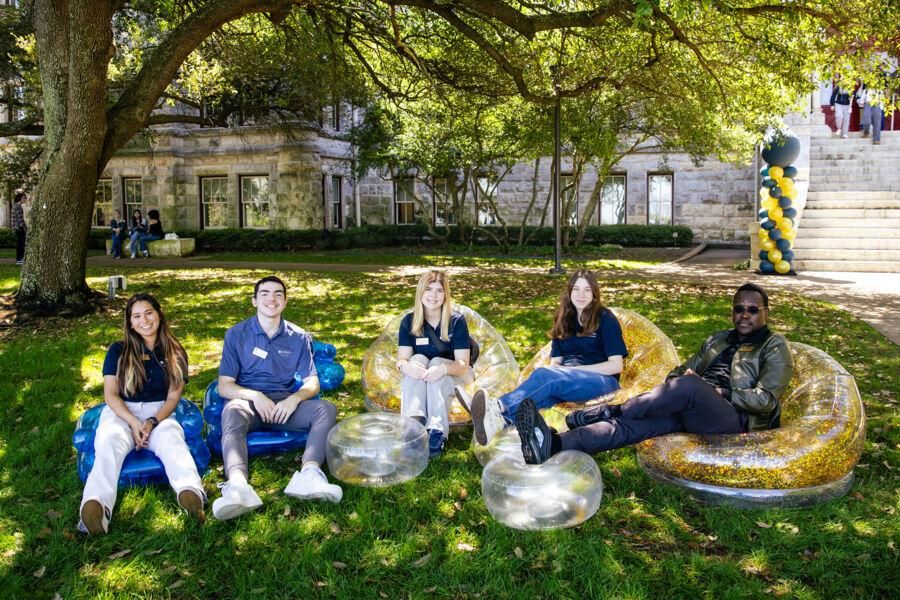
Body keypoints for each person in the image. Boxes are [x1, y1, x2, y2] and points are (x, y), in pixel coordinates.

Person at [516, 283, 794, 465]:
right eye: (739, 309)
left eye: (753, 310)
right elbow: (677, 374)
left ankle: (612, 409)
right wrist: (683, 387)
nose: (745, 315)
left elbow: (766, 401)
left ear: (766, 313)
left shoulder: (774, 345)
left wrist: (715, 391)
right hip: (694, 406)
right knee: (633, 425)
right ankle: (553, 444)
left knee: (689, 386)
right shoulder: (718, 339)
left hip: (734, 420)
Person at [212, 275, 341, 520]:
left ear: (285, 301)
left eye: (278, 294)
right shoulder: (236, 334)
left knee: (326, 409)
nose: (271, 299)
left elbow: (313, 383)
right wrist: (254, 396)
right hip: (249, 404)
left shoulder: (299, 336)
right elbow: (224, 386)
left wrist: (294, 399)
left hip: (284, 405)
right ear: (254, 301)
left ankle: (309, 474)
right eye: (265, 293)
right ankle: (237, 486)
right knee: (232, 411)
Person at [78, 293, 205, 535]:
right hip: (121, 412)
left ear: (159, 314)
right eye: (136, 316)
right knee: (109, 443)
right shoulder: (118, 351)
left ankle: (191, 494)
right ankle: (97, 507)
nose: (144, 320)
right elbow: (111, 395)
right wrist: (134, 422)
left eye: (148, 313)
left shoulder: (175, 351)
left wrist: (152, 421)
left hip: (160, 412)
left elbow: (173, 397)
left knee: (172, 440)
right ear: (129, 322)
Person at [458, 269, 626, 446]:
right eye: (576, 289)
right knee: (542, 396)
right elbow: (556, 363)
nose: (581, 295)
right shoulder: (564, 318)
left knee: (546, 376)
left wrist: (571, 371)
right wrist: (557, 374)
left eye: (587, 290)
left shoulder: (605, 318)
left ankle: (496, 406)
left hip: (602, 381)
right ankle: (500, 422)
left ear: (594, 293)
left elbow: (616, 365)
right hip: (568, 380)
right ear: (570, 292)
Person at [396, 270, 474, 457]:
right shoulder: (409, 322)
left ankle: (436, 431)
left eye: (439, 290)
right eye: (429, 289)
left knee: (437, 362)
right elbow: (402, 359)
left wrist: (442, 368)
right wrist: (406, 367)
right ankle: (413, 424)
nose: (433, 295)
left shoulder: (456, 321)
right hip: (425, 374)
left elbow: (463, 364)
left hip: (457, 373)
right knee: (416, 360)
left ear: (446, 295)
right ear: (420, 292)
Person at [11, 191, 27, 265]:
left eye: (25, 198)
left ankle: (20, 259)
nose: (25, 199)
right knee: (21, 244)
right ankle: (19, 259)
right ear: (20, 198)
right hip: (19, 228)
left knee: (20, 244)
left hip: (17, 227)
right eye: (24, 198)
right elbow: (20, 219)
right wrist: (25, 228)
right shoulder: (17, 206)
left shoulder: (16, 205)